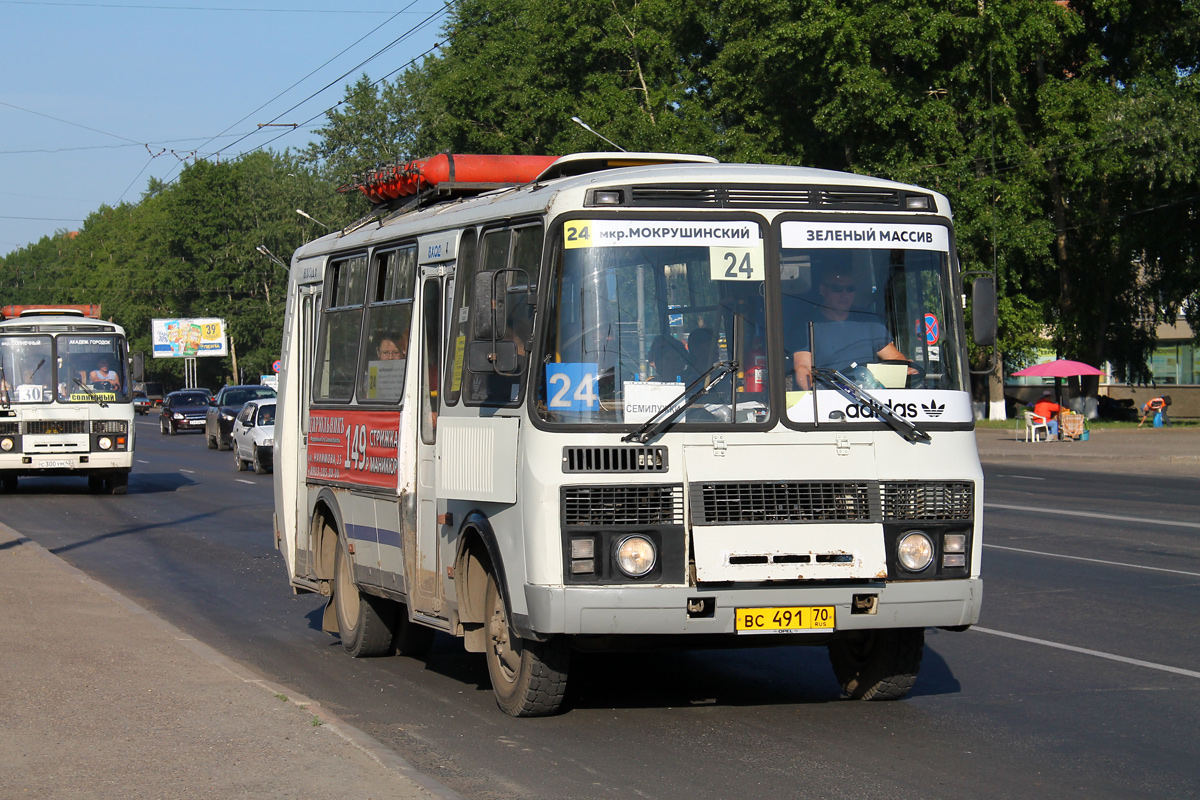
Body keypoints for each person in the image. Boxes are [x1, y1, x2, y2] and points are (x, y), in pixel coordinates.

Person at [786, 266, 913, 390]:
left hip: (869, 397)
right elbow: (802, 367)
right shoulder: (806, 325)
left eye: (850, 288)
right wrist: (812, 394)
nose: (844, 294)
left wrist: (905, 366)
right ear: (823, 290)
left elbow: (894, 357)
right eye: (837, 288)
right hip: (827, 397)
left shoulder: (869, 320)